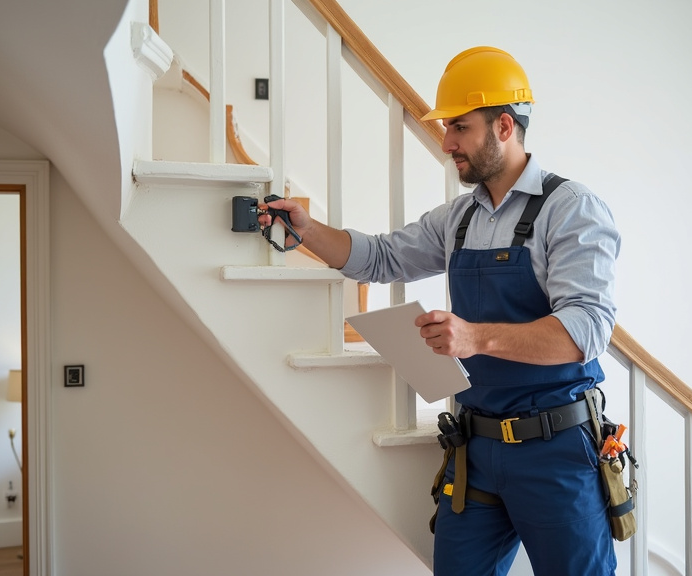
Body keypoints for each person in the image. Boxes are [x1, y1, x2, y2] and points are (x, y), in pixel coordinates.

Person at [261, 46, 620, 576]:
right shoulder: (458, 219)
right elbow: (381, 257)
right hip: (476, 450)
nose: (447, 142)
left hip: (557, 453)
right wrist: (309, 231)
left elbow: (586, 330)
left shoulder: (570, 209)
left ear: (504, 126)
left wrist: (475, 338)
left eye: (460, 127)